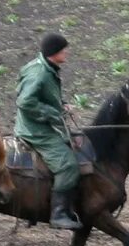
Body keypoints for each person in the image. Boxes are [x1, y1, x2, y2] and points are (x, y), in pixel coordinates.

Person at [15, 33, 84, 231]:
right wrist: (54, 113)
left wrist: (61, 105)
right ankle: (59, 214)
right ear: (54, 53)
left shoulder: (44, 67)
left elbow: (42, 96)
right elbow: (25, 101)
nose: (67, 52)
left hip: (41, 125)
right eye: (64, 49)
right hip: (36, 131)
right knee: (68, 165)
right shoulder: (40, 74)